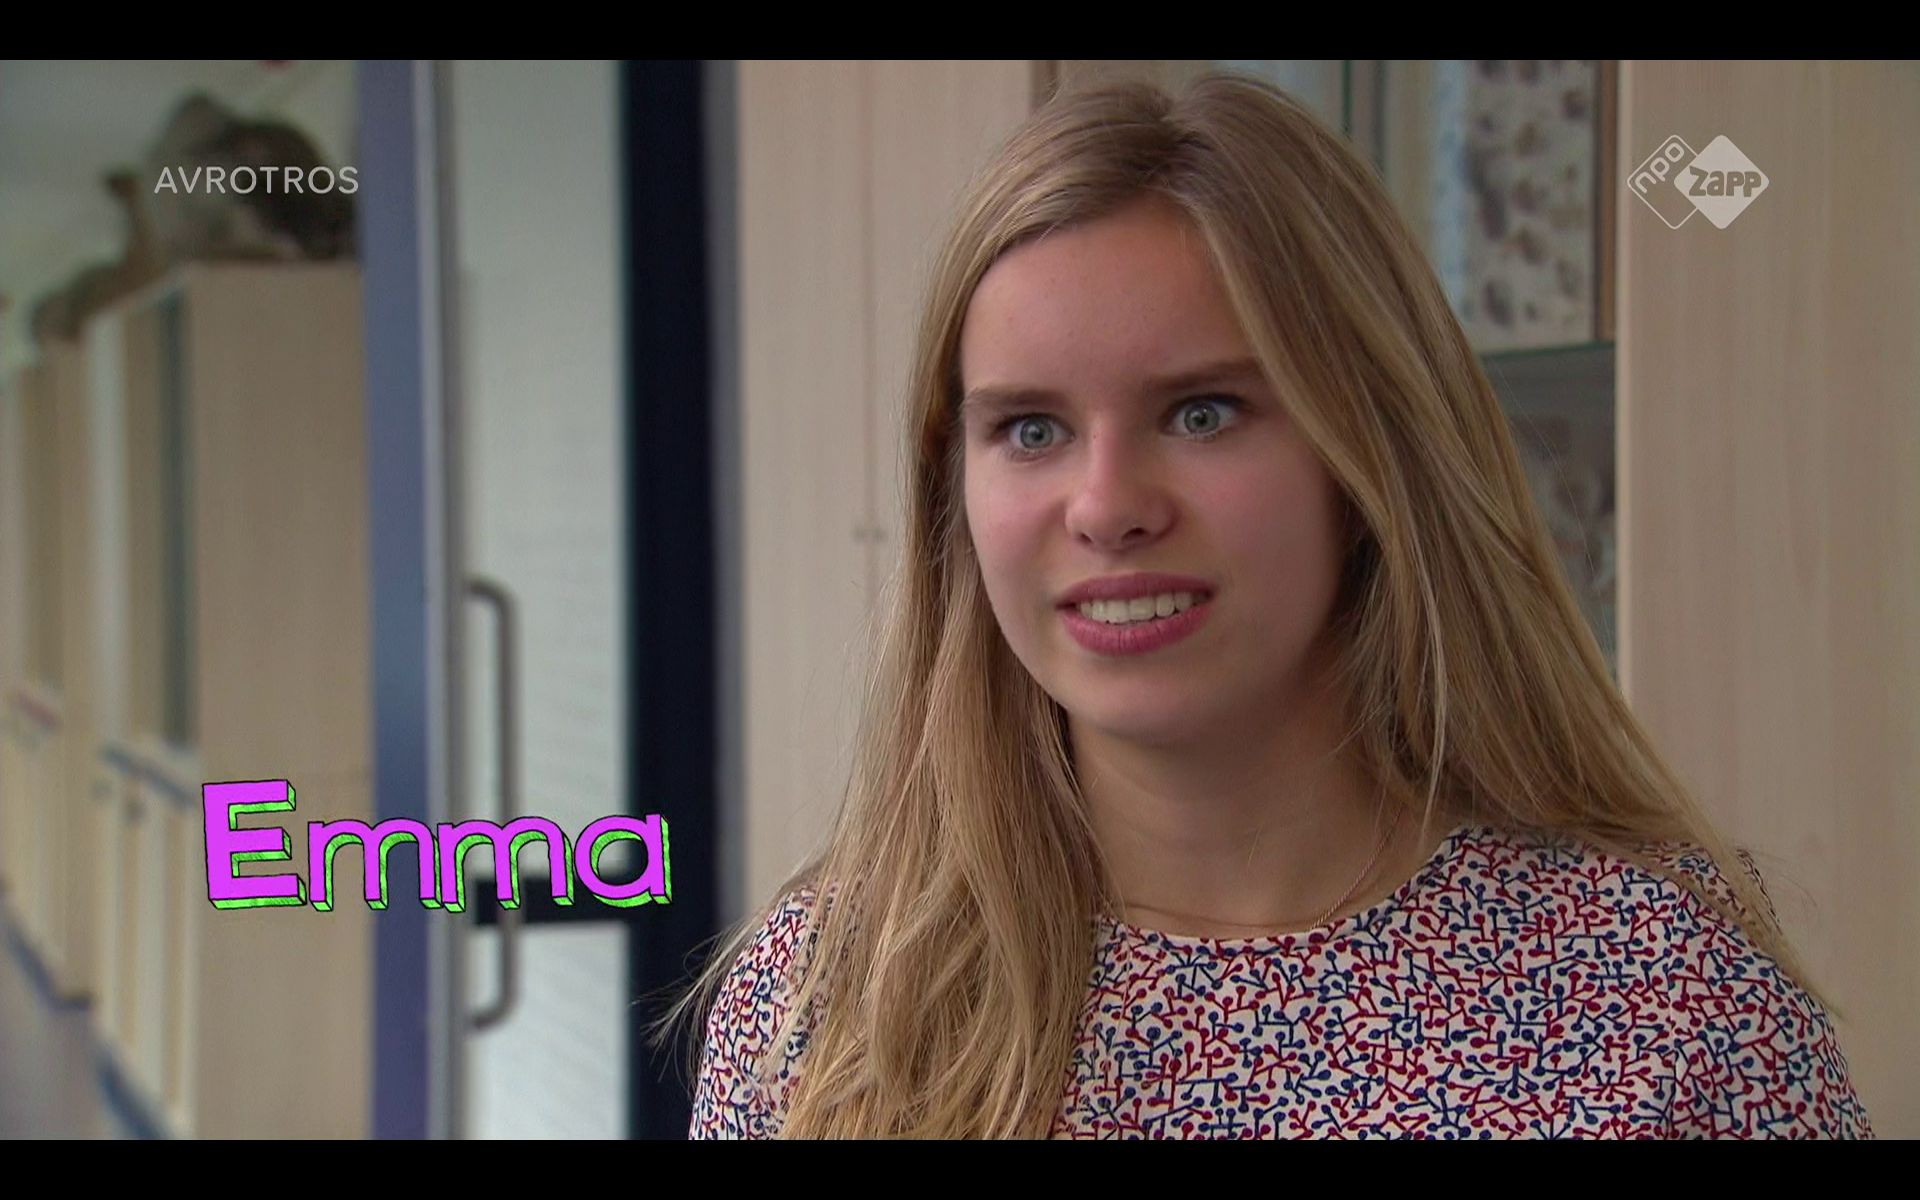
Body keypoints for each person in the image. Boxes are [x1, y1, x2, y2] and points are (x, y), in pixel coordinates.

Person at [675, 73, 1873, 1139]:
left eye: (1203, 413)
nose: (1108, 507)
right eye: (1030, 429)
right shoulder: (826, 1007)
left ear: (1367, 461)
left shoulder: (1666, 996)